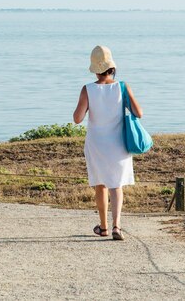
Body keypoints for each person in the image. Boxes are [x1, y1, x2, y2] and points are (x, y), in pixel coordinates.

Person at [72, 45, 143, 241]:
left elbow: (77, 119)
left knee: (100, 185)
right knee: (116, 185)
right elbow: (139, 113)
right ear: (112, 68)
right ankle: (116, 227)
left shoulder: (88, 89)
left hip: (96, 144)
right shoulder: (122, 87)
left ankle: (103, 227)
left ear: (94, 69)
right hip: (118, 143)